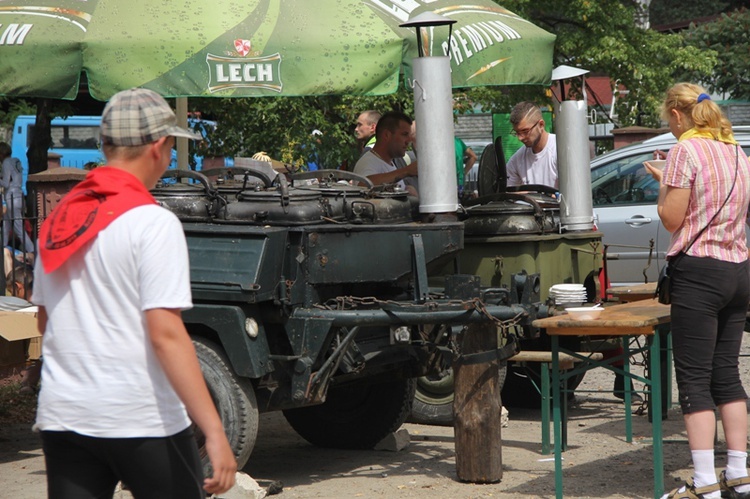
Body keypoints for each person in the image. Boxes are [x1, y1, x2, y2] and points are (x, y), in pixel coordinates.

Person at [32, 88, 236, 498]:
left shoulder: (61, 218)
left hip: (65, 414)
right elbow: (165, 333)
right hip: (140, 416)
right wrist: (214, 429)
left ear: (105, 144)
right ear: (159, 147)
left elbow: (44, 319)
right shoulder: (152, 223)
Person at [646, 83, 750, 499]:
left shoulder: (684, 151)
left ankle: (705, 482)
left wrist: (662, 184)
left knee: (693, 378)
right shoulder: (736, 151)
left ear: (676, 114)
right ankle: (739, 472)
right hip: (739, 269)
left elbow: (672, 219)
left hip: (699, 272)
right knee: (726, 372)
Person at [353, 111, 418, 196]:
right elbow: (364, 185)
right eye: (404, 134)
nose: (408, 140)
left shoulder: (387, 162)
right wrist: (406, 171)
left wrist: (407, 190)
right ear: (387, 135)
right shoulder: (368, 163)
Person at [505, 102, 558, 189]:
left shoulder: (559, 151)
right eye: (517, 133)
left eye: (525, 131)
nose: (520, 138)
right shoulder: (516, 160)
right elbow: (509, 193)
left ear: (541, 125)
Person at [0, 142, 35, 255]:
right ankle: (3, 246)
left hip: (12, 197)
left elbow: (5, 184)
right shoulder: (16, 161)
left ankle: (32, 251)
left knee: (18, 227)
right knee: (6, 223)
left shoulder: (5, 163)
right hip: (19, 195)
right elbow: (12, 178)